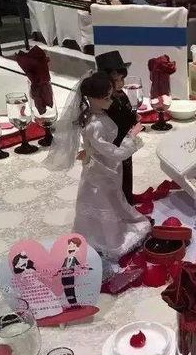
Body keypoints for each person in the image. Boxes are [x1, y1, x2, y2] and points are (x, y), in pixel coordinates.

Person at [44, 72, 151, 269]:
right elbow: (115, 153)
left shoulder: (97, 116)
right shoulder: (94, 124)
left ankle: (101, 232)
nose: (111, 101)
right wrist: (132, 136)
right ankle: (109, 240)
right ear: (92, 98)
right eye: (107, 98)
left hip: (104, 167)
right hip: (102, 169)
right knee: (103, 200)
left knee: (109, 198)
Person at [96, 51, 137, 205]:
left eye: (122, 79)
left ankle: (127, 200)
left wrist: (133, 117)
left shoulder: (121, 95)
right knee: (117, 173)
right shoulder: (106, 101)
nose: (120, 83)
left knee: (127, 172)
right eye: (115, 80)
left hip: (125, 140)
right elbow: (118, 119)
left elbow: (127, 111)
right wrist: (132, 121)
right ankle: (119, 203)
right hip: (115, 143)